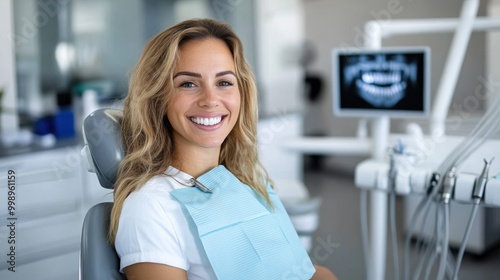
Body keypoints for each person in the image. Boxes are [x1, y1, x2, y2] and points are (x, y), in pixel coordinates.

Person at [109, 18, 337, 280]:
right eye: (188, 83)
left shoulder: (250, 180)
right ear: (158, 98)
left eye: (224, 82)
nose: (210, 100)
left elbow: (302, 272)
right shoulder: (150, 207)